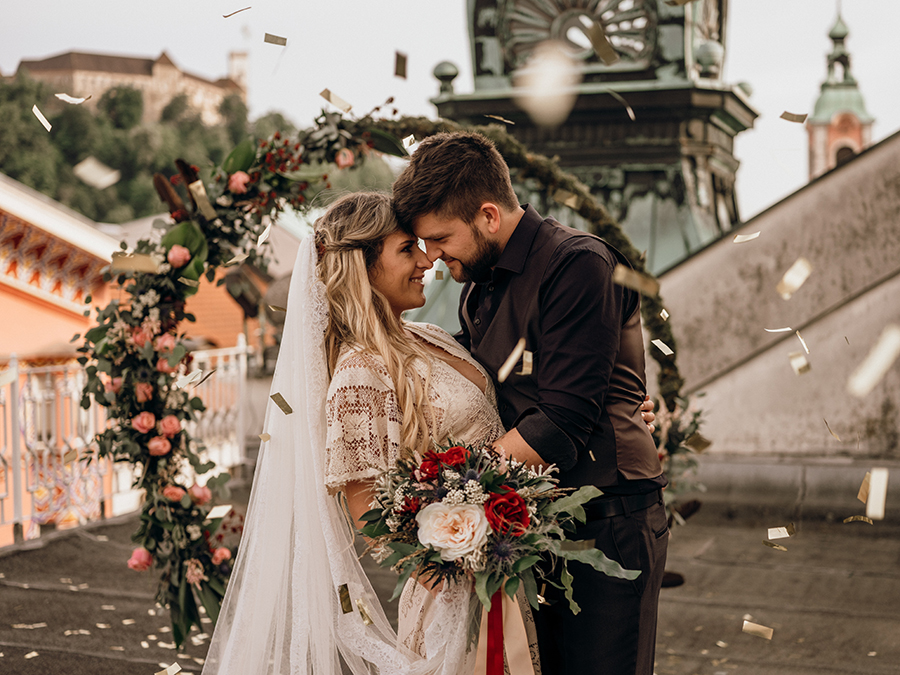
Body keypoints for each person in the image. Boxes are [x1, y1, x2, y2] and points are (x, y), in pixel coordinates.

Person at [202, 192, 538, 675]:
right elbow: (367, 508)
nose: (427, 261)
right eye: (407, 250)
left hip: (506, 572)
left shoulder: (429, 335)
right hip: (462, 596)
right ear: (362, 268)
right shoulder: (361, 371)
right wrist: (455, 565)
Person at [392, 132, 668, 675]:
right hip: (529, 523)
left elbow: (563, 419)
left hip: (608, 520)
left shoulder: (579, 263)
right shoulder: (478, 284)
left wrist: (450, 497)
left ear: (489, 216)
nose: (435, 256)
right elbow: (476, 386)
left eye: (441, 238)